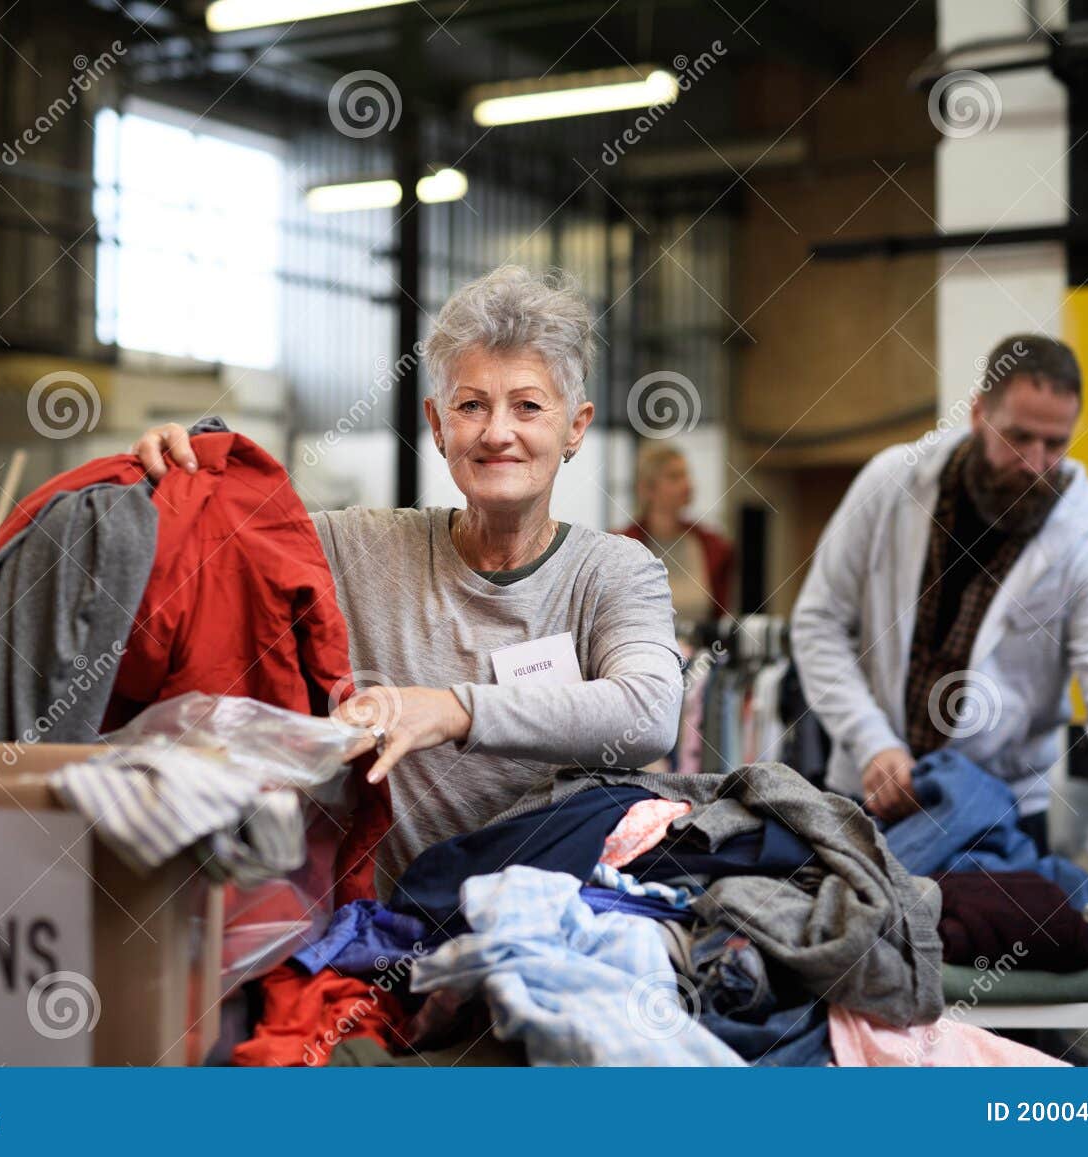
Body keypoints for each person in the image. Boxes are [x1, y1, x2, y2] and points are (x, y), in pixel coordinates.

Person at [132, 267, 682, 892]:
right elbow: (221, 543)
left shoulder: (613, 571)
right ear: (437, 423)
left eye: (527, 406)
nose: (497, 432)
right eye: (471, 405)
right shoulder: (354, 545)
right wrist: (176, 471)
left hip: (536, 937)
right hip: (368, 937)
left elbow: (649, 712)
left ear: (575, 427)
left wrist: (449, 710)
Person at [792, 334, 1088, 938]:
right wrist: (871, 740)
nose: (1035, 462)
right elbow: (818, 622)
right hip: (863, 797)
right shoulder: (893, 482)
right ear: (979, 413)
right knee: (856, 971)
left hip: (1000, 812)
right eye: (1018, 437)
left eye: (1056, 443)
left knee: (1002, 998)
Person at [615, 442, 733, 622]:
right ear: (647, 488)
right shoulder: (620, 547)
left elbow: (721, 620)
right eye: (674, 477)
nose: (687, 484)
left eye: (686, 475)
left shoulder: (712, 546)